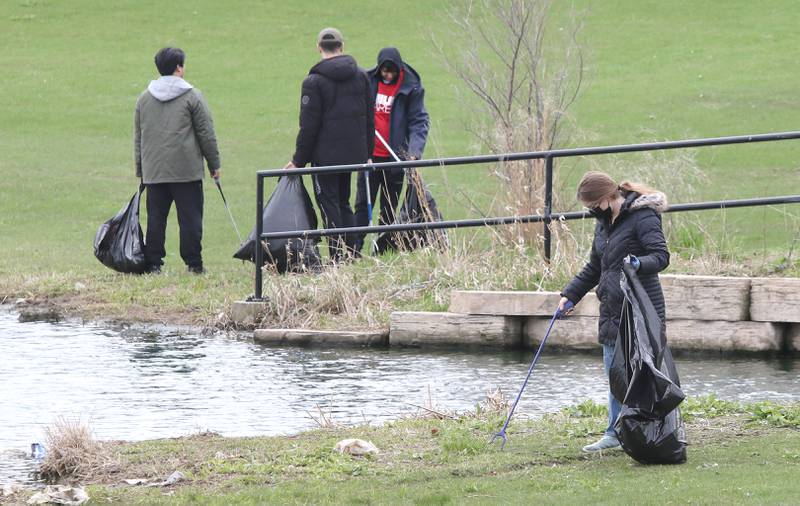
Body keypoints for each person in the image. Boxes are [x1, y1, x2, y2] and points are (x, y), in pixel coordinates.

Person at [558, 171, 669, 453]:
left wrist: (637, 263)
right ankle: (615, 433)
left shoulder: (643, 217)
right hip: (611, 308)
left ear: (608, 197)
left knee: (642, 375)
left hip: (641, 308)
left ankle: (649, 429)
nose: (592, 211)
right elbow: (595, 267)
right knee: (615, 375)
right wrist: (570, 295)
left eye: (593, 205)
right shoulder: (604, 224)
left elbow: (660, 256)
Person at [286, 28, 374, 262]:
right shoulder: (362, 76)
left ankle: (336, 257)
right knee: (344, 202)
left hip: (325, 157)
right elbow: (369, 116)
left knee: (328, 203)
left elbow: (308, 126)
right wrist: (367, 153)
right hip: (354, 154)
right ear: (341, 47)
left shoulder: (313, 82)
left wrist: (298, 161)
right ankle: (352, 253)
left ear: (319, 48)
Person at [134, 47, 221, 274]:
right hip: (186, 169)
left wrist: (141, 169)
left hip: (154, 170)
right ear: (179, 67)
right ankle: (194, 264)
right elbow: (206, 134)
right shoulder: (192, 96)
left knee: (156, 219)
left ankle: (153, 264)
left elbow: (139, 136)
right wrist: (214, 165)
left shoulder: (144, 98)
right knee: (190, 219)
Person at [353, 47, 430, 254]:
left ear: (399, 70)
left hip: (394, 160)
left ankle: (382, 250)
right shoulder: (369, 83)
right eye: (384, 71)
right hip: (369, 158)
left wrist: (413, 153)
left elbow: (419, 121)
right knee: (362, 207)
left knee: (388, 209)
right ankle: (354, 252)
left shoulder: (410, 87)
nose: (387, 75)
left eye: (391, 72)